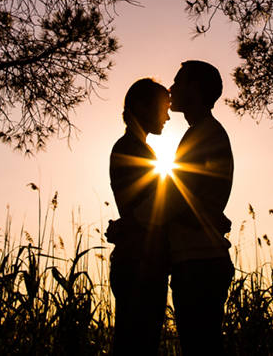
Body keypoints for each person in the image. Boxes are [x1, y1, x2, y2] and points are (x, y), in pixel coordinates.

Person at [165, 60, 234, 356]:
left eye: (178, 82)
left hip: (199, 263)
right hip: (198, 260)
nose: (171, 89)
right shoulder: (203, 132)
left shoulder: (204, 135)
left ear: (195, 89)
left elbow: (179, 199)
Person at [107, 78, 172, 356]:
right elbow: (149, 210)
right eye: (163, 109)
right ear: (142, 107)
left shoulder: (137, 148)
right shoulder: (130, 149)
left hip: (139, 260)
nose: (168, 116)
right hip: (139, 264)